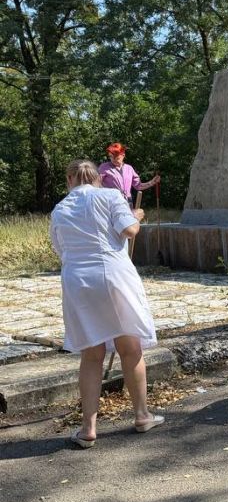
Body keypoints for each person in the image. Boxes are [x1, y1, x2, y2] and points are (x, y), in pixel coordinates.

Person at [49, 160, 163, 449]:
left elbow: (61, 249)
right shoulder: (111, 196)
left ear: (70, 179)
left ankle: (88, 428)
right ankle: (142, 415)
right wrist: (135, 215)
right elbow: (130, 230)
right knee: (130, 347)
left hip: (78, 280)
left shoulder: (60, 209)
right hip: (113, 275)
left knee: (91, 355)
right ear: (97, 178)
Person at [98, 142, 160, 207]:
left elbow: (138, 186)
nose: (113, 159)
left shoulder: (129, 169)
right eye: (111, 156)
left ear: (123, 155)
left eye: (116, 156)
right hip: (111, 202)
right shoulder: (104, 167)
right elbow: (96, 184)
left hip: (128, 202)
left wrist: (152, 182)